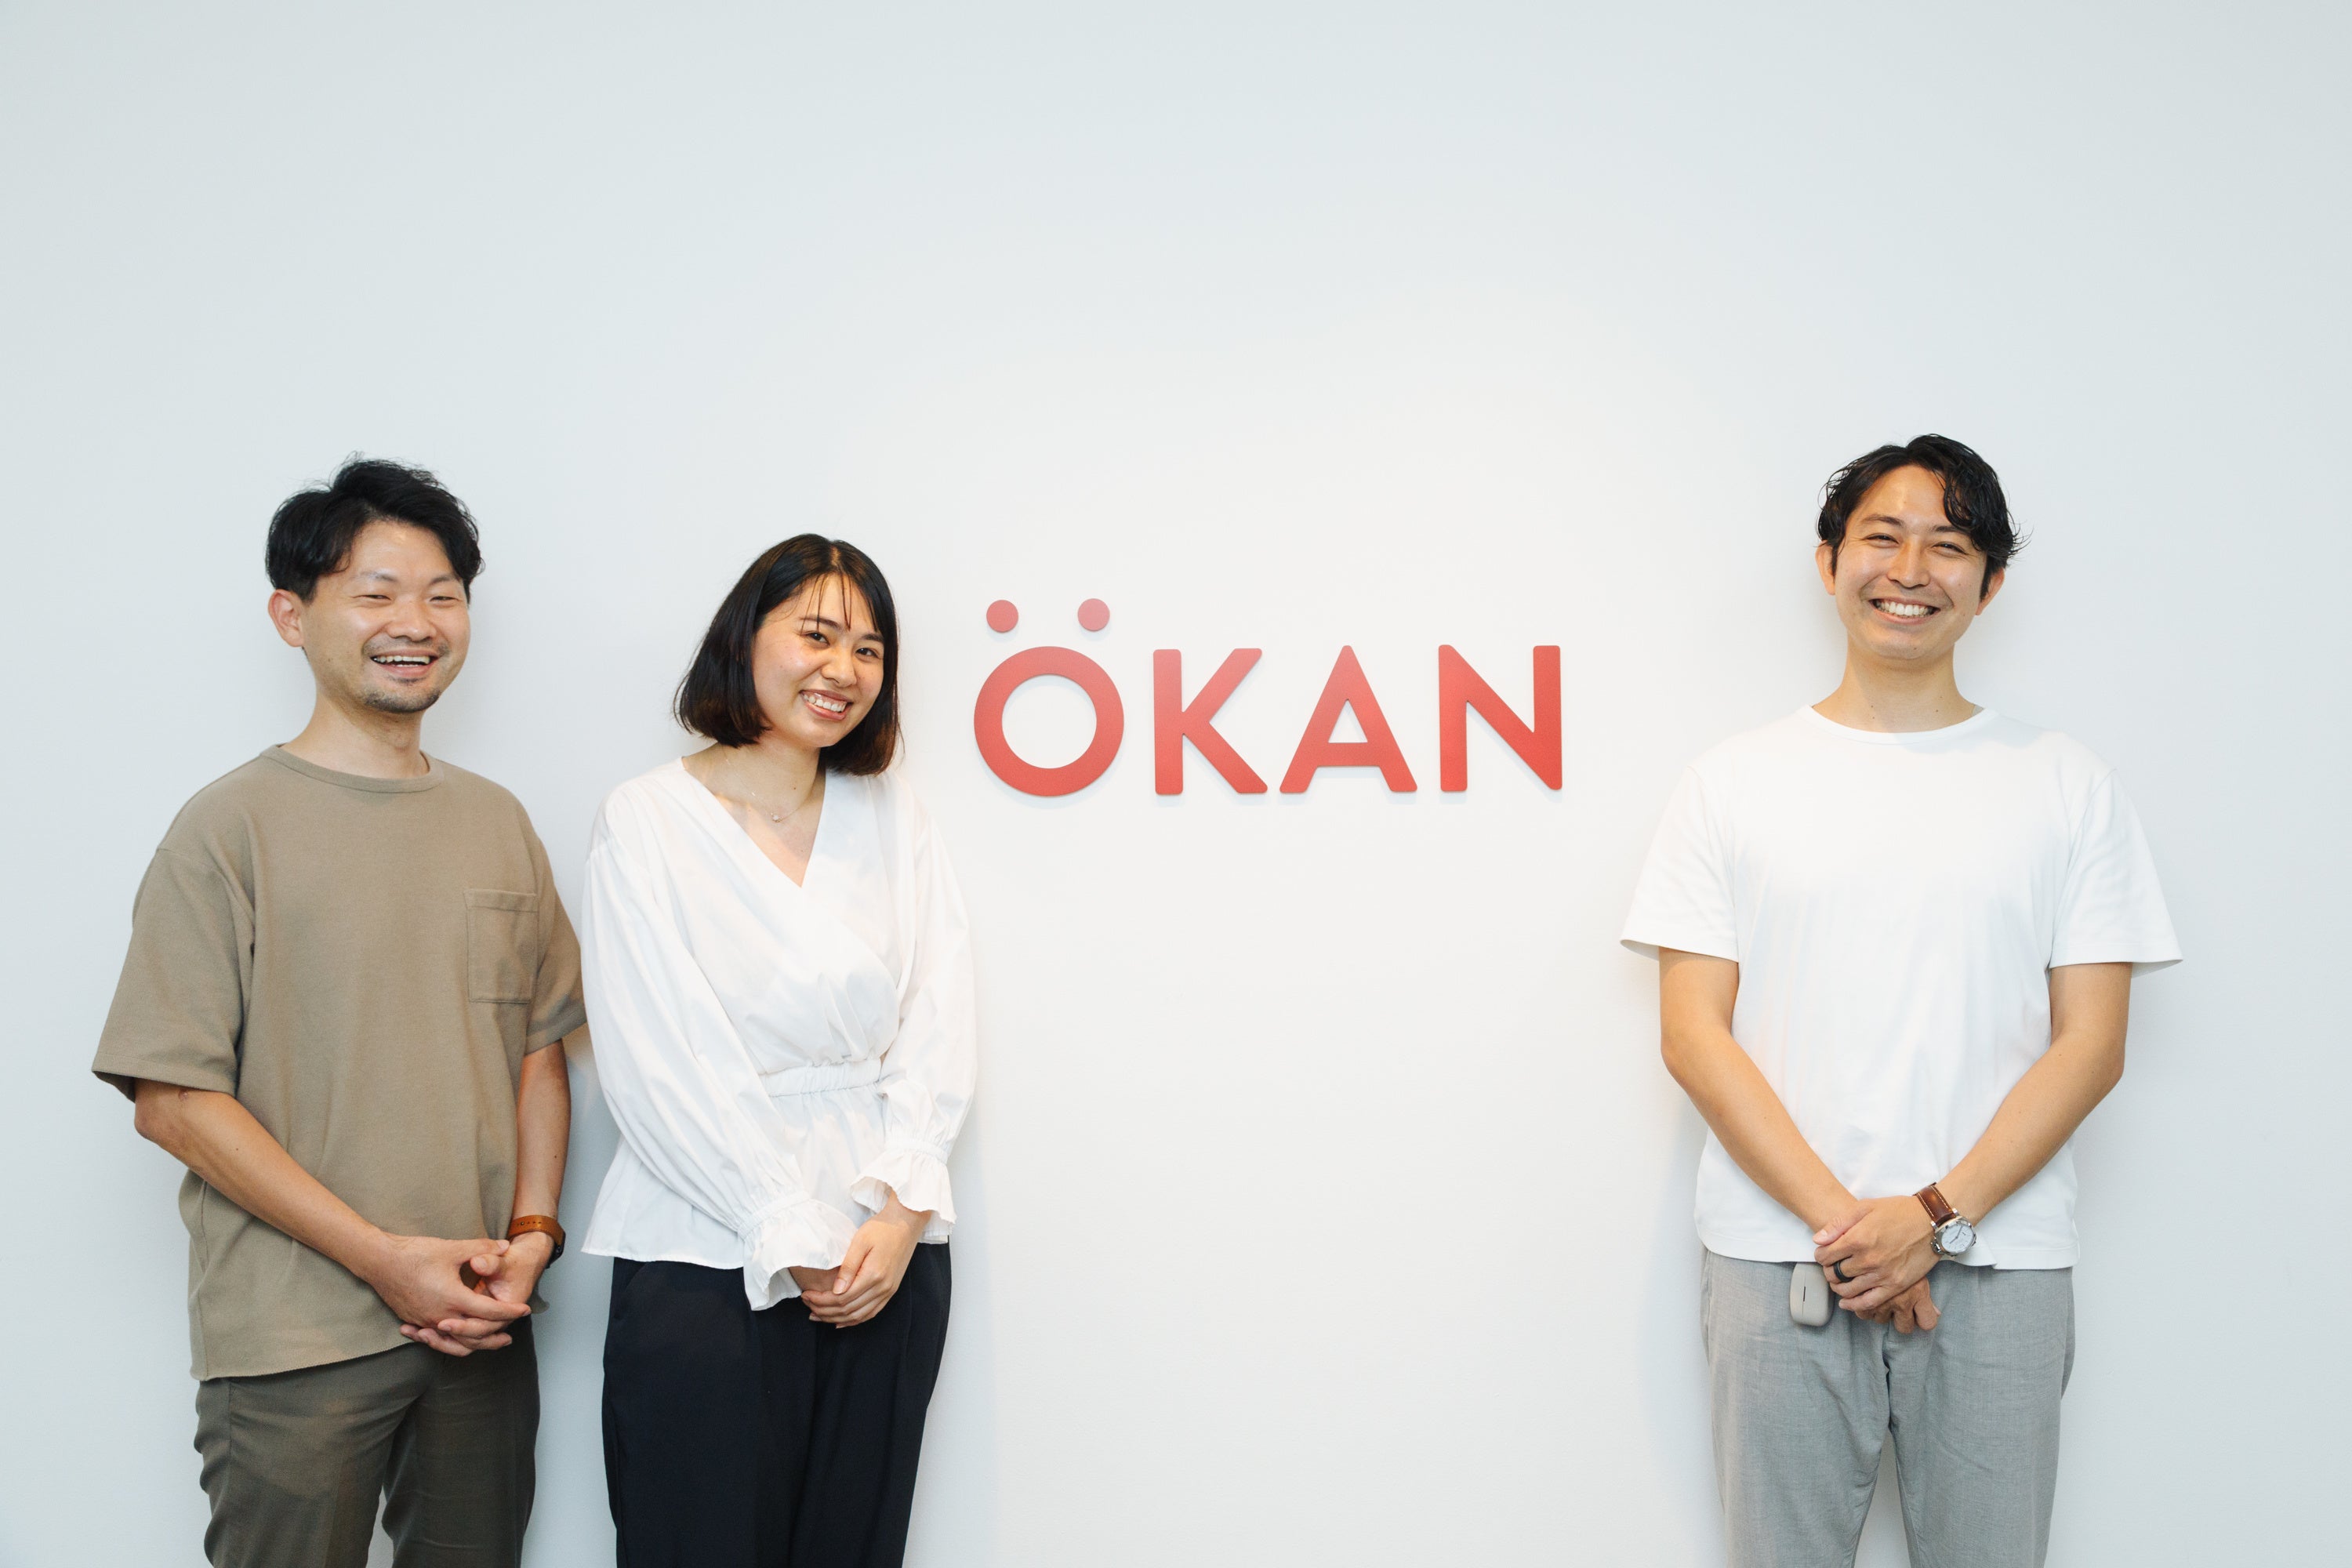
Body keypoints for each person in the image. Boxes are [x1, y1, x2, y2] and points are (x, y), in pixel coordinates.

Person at [1621, 435, 2179, 1567]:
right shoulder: (1729, 783)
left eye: (1950, 546)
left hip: (1998, 1260)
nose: (1911, 570)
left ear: (1992, 584)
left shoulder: (2067, 785)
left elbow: (2092, 1046)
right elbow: (1692, 1034)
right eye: (1882, 537)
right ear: (1829, 561)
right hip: (1777, 1257)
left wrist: (1930, 1219)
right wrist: (1854, 1233)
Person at [93, 459, 586, 1567]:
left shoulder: (499, 823)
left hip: (480, 1326)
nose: (416, 622)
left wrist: (532, 1238)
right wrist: (380, 1258)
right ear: (292, 616)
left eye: (444, 594)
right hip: (293, 1342)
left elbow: (539, 1050)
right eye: (377, 593)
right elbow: (172, 1101)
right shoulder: (228, 830)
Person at [584, 535, 976, 1567]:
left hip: (882, 1254)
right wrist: (781, 1223)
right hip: (707, 1248)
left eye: (869, 649)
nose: (844, 669)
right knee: (695, 1540)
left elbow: (940, 1015)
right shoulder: (647, 820)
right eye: (817, 635)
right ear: (743, 640)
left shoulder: (893, 814)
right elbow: (658, 1057)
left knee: (855, 1543)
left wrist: (902, 1211)